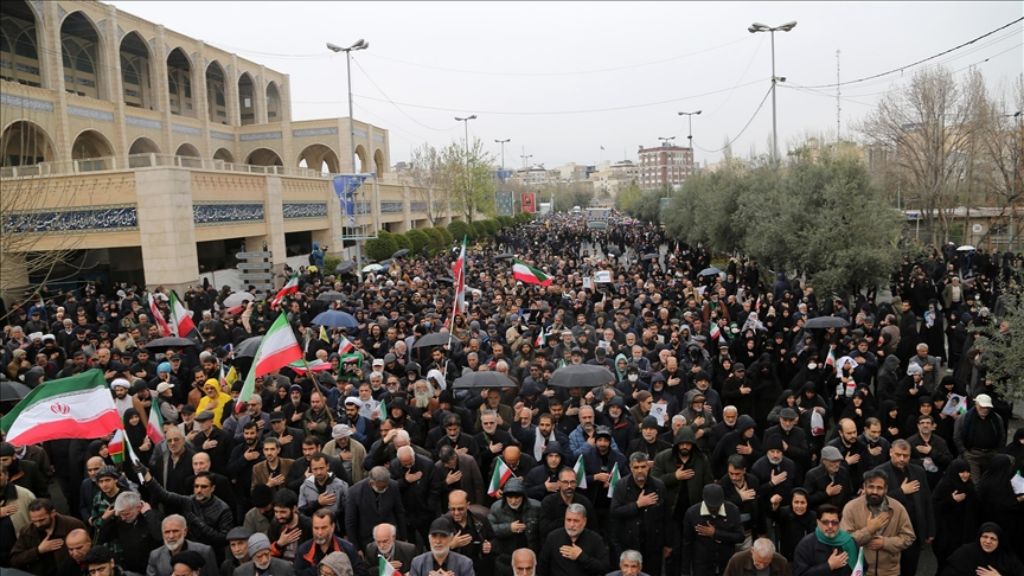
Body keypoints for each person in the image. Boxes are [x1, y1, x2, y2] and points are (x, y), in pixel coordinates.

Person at [872, 439, 934, 576]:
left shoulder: (918, 471)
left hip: (913, 530)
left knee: (910, 568)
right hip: (889, 532)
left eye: (905, 456)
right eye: (898, 454)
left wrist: (930, 529)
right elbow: (874, 502)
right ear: (890, 452)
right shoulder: (879, 472)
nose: (902, 459)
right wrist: (901, 492)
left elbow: (927, 501)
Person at [839, 470, 915, 576]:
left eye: (879, 488)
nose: (874, 491)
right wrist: (869, 530)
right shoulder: (851, 508)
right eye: (871, 487)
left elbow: (908, 537)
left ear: (886, 489)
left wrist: (885, 543)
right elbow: (844, 542)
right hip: (859, 570)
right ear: (864, 487)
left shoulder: (898, 508)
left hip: (890, 572)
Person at [609, 452, 671, 576]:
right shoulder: (621, 485)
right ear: (631, 467)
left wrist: (668, 544)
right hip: (629, 544)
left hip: (653, 545)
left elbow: (666, 517)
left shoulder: (658, 486)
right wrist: (637, 505)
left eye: (643, 467)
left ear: (648, 466)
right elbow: (615, 512)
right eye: (636, 467)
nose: (640, 470)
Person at [9, 497, 87, 575]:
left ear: (53, 513)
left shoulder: (72, 525)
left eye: (42, 520)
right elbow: (15, 559)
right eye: (34, 521)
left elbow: (88, 549)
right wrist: (38, 551)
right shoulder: (27, 531)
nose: (38, 524)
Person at [680, 484, 743, 576]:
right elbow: (687, 544)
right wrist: (685, 572)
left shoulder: (732, 510)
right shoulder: (692, 513)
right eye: (711, 506)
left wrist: (715, 533)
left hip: (726, 564)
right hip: (702, 566)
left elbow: (740, 537)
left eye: (717, 506)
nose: (714, 509)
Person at [931, 459, 979, 570]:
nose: (965, 475)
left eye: (967, 471)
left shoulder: (969, 486)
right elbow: (935, 506)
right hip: (946, 533)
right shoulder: (945, 485)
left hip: (964, 531)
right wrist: (951, 500)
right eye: (961, 472)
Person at [488, 477, 541, 576]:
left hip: (530, 555)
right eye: (510, 498)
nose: (513, 501)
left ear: (523, 496)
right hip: (505, 557)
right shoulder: (496, 508)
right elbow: (489, 530)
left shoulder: (536, 507)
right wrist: (509, 528)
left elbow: (543, 530)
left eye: (517, 498)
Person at [538, 503, 608, 576]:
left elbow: (604, 568)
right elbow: (542, 567)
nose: (571, 525)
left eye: (576, 521)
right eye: (568, 520)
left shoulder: (595, 539)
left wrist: (581, 557)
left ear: (584, 521)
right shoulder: (553, 537)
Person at [293, 509, 367, 576]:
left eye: (324, 528)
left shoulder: (348, 549)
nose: (319, 532)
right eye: (316, 528)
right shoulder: (303, 550)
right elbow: (296, 573)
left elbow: (361, 573)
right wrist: (320, 570)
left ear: (332, 527)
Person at [792, 505, 859, 576]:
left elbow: (862, 566)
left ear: (839, 523)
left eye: (834, 522)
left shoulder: (849, 541)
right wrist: (829, 566)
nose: (830, 526)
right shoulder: (806, 544)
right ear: (818, 522)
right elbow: (799, 574)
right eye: (825, 522)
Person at [953, 393, 1006, 484]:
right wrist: (964, 452)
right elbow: (957, 437)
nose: (985, 410)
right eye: (982, 407)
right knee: (975, 482)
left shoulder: (996, 419)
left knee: (990, 481)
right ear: (976, 405)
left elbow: (1002, 436)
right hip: (972, 454)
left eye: (987, 407)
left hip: (991, 454)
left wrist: (998, 451)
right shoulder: (964, 418)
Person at [145, 514, 219, 576]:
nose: (171, 536)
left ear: (185, 531)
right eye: (167, 532)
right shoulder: (155, 555)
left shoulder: (204, 551)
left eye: (175, 531)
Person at [941, 522, 1024, 576]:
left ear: (999, 542)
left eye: (993, 539)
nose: (988, 541)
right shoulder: (965, 553)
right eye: (985, 537)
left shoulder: (1008, 559)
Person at [409, 517, 476, 576]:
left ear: (451, 538)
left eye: (443, 536)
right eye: (434, 536)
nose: (438, 541)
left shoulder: (465, 563)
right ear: (429, 539)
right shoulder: (417, 563)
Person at [722, 538, 790, 576]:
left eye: (766, 563)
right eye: (758, 562)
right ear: (752, 551)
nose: (762, 566)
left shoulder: (781, 562)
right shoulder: (737, 561)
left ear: (772, 555)